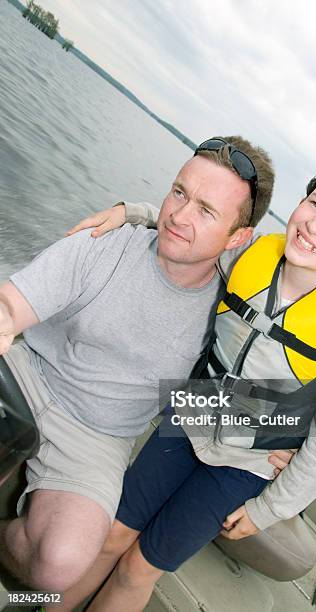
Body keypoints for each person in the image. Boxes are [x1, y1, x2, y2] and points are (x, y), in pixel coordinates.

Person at [64, 159, 316, 612]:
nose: (315, 226)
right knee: (109, 537)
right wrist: (131, 213)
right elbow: (191, 235)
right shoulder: (253, 251)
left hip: (247, 465)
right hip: (191, 417)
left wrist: (268, 510)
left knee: (138, 568)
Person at [0, 136, 277, 593]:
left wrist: (288, 439)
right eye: (179, 192)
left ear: (238, 239)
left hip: (99, 437)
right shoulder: (106, 242)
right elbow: (12, 305)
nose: (179, 216)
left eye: (206, 211)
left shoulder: (233, 304)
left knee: (58, 569)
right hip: (29, 374)